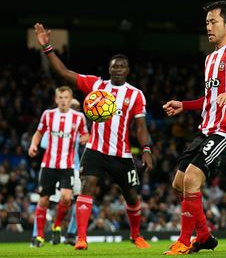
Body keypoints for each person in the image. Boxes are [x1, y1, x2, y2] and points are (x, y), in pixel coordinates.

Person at [33, 23, 153, 250]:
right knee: (87, 187)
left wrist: (145, 149)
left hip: (122, 154)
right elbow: (63, 73)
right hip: (95, 150)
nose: (118, 69)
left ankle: (136, 235)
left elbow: (140, 127)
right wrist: (47, 46)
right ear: (109, 69)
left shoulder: (136, 94)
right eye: (114, 66)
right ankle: (81, 237)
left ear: (127, 70)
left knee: (132, 197)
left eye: (122, 67)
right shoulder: (96, 85)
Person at [162, 1, 226, 255]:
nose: (208, 26)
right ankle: (204, 235)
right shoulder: (210, 58)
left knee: (192, 179)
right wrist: (184, 105)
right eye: (206, 22)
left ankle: (184, 240)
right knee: (178, 183)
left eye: (213, 21)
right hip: (205, 128)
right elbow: (210, 98)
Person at [28, 87, 89, 247]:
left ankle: (60, 228)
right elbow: (39, 135)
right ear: (56, 99)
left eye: (66, 98)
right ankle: (38, 236)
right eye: (60, 97)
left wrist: (85, 137)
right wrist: (33, 145)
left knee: (69, 199)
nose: (63, 101)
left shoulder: (78, 118)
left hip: (69, 167)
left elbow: (86, 134)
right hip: (48, 165)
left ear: (70, 99)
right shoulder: (48, 115)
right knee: (43, 200)